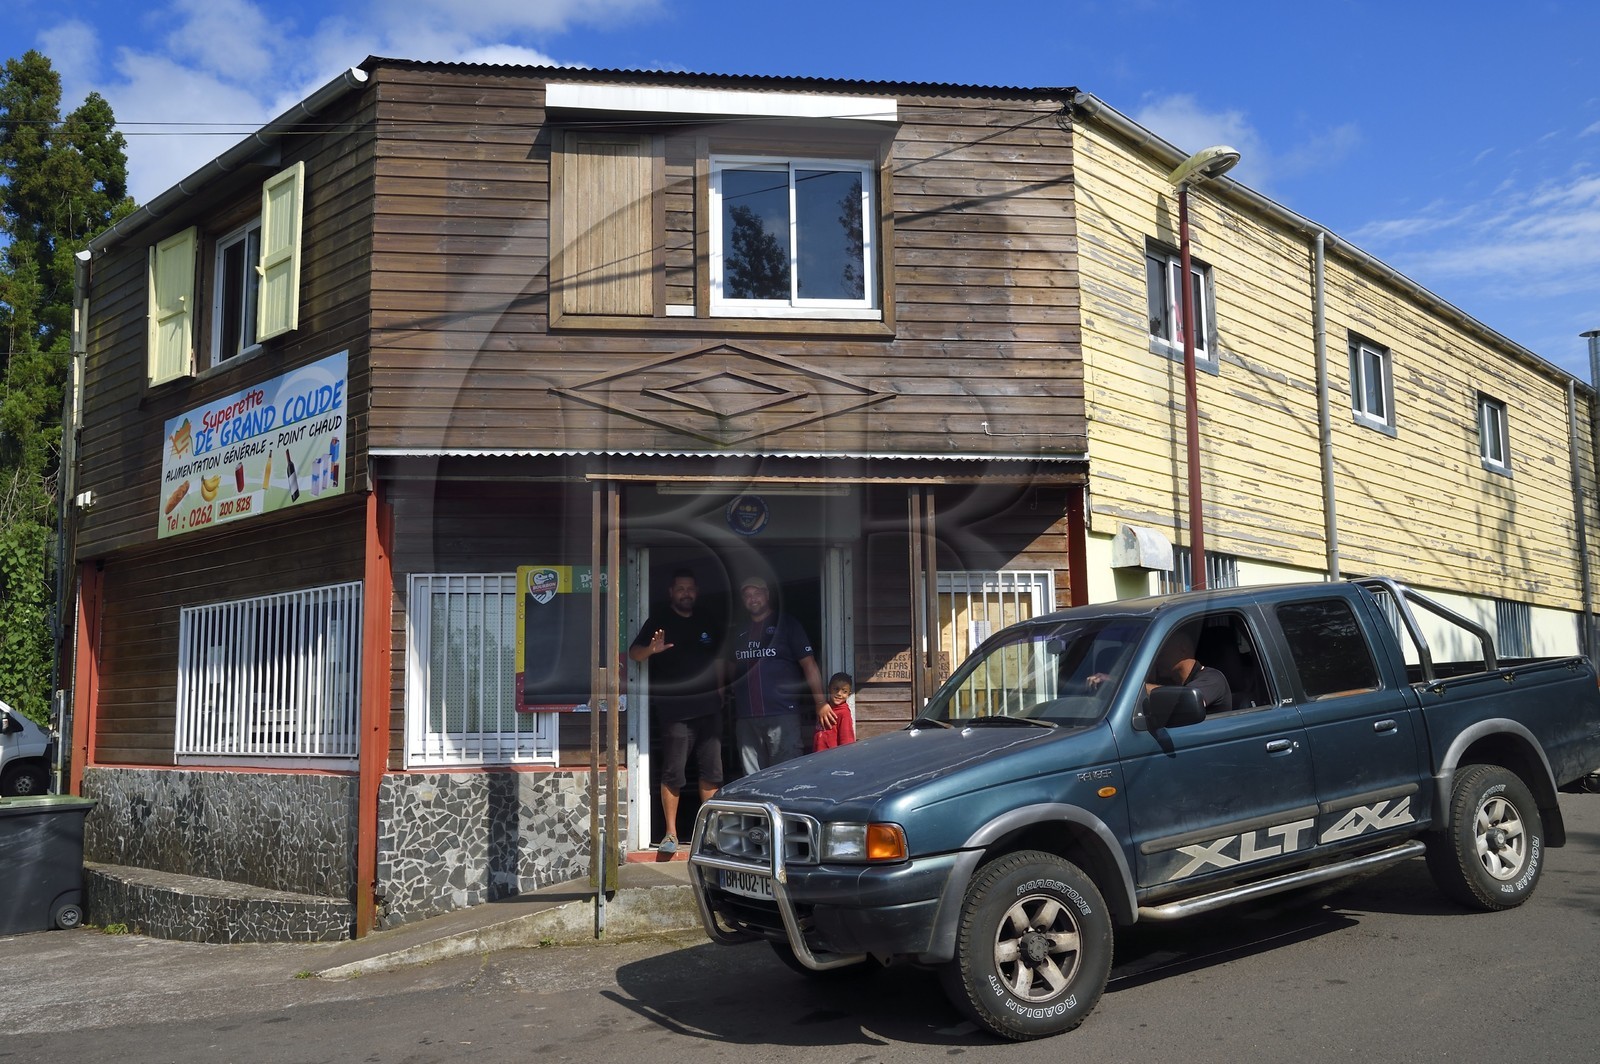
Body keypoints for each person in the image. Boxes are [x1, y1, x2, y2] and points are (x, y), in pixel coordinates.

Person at [629, 568, 726, 855]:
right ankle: (670, 834)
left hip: (709, 707)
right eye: (681, 588)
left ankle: (713, 834)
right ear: (671, 592)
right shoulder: (659, 619)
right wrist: (651, 649)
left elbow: (719, 658)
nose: (686, 593)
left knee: (712, 773)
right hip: (674, 710)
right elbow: (634, 653)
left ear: (696, 592)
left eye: (690, 588)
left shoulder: (708, 618)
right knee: (674, 773)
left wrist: (720, 691)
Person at [729, 576, 829, 774]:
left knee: (786, 773)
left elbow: (809, 665)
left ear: (766, 595)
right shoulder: (739, 631)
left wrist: (820, 703)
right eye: (747, 595)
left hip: (783, 714)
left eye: (757, 593)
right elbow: (729, 668)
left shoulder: (787, 624)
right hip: (747, 718)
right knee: (751, 778)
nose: (753, 598)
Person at [1144, 623, 1232, 712]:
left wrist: (1142, 689)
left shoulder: (1213, 679)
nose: (1156, 659)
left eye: (1161, 651)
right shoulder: (1171, 683)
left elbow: (1185, 700)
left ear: (1183, 648)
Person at [813, 672, 857, 751]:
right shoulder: (823, 708)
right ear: (829, 688)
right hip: (817, 754)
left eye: (844, 691)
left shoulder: (844, 713)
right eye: (836, 689)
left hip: (832, 757)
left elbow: (847, 740)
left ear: (849, 694)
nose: (839, 694)